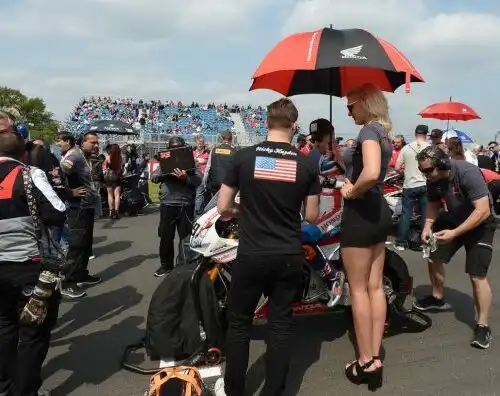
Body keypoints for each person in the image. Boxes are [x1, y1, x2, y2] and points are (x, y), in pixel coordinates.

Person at [214, 98, 320, 396]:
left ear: (265, 122)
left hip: (252, 253)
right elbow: (311, 217)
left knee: (239, 324)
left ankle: (235, 390)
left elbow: (223, 206)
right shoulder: (306, 164)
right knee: (280, 325)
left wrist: (241, 210)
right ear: (294, 126)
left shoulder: (244, 156)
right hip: (287, 254)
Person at [0, 131, 66, 396]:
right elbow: (58, 212)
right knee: (33, 332)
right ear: (24, 153)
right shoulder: (29, 174)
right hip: (28, 265)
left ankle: (5, 386)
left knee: (3, 327)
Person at [414, 146, 494, 349]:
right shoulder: (433, 179)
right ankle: (437, 297)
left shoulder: (467, 173)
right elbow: (433, 204)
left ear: (441, 164)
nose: (425, 175)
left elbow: (483, 210)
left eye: (427, 171)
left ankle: (483, 325)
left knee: (477, 275)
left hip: (480, 223)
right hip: (454, 220)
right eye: (421, 171)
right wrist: (427, 227)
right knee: (433, 255)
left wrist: (455, 234)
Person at [340, 83, 393, 390]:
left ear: (365, 103)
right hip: (378, 212)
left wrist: (351, 189)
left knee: (358, 290)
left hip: (361, 212)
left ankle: (365, 361)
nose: (349, 111)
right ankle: (374, 355)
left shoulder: (368, 132)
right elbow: (370, 169)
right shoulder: (383, 134)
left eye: (351, 106)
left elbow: (371, 173)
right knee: (375, 287)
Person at [57, 131, 101, 299]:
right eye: (93, 142)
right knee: (76, 245)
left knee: (85, 243)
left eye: (97, 142)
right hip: (77, 207)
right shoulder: (75, 155)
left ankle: (81, 273)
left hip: (87, 206)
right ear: (83, 142)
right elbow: (57, 174)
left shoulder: (86, 157)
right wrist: (69, 192)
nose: (96, 145)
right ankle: (68, 282)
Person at [151, 136, 201, 277]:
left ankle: (185, 266)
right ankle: (166, 266)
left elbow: (199, 180)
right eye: (173, 147)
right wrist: (163, 174)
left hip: (185, 204)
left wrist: (186, 178)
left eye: (178, 146)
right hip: (168, 204)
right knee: (166, 236)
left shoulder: (192, 162)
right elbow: (153, 177)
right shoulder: (164, 162)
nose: (175, 149)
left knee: (186, 238)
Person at [393, 125, 430, 250]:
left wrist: (405, 173)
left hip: (409, 185)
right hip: (425, 184)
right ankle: (425, 242)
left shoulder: (406, 148)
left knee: (406, 214)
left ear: (415, 134)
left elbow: (397, 167)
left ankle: (401, 242)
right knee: (426, 214)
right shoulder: (430, 148)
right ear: (426, 134)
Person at [204, 130, 235, 196]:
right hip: (228, 185)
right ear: (231, 139)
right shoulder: (235, 151)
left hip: (215, 183)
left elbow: (207, 168)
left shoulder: (213, 150)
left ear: (221, 138)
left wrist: (204, 183)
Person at [103, 144, 124, 219]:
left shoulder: (108, 157)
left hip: (108, 176)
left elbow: (105, 166)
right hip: (117, 176)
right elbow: (122, 166)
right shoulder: (120, 158)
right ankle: (117, 211)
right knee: (117, 194)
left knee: (110, 194)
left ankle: (111, 212)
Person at [193, 135, 210, 215]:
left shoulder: (207, 152)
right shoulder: (192, 152)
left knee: (200, 194)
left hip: (203, 176)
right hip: (193, 175)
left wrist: (195, 159)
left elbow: (204, 161)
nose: (199, 144)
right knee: (194, 194)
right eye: (198, 143)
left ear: (203, 143)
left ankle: (198, 212)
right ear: (196, 143)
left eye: (201, 143)